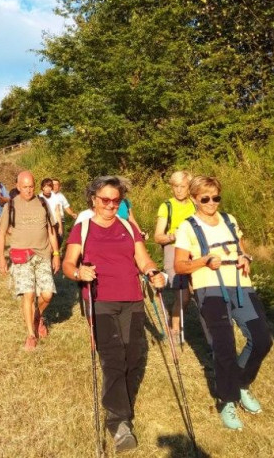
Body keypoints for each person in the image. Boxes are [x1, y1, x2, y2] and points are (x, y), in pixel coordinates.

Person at [62, 175, 165, 451]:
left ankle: (122, 403)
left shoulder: (128, 228)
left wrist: (154, 272)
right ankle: (118, 422)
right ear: (93, 200)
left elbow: (143, 260)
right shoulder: (82, 229)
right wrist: (77, 272)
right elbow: (68, 263)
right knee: (113, 358)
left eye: (115, 200)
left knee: (133, 356)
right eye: (105, 199)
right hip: (100, 300)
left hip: (132, 299)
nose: (110, 205)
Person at [174, 175, 272, 431]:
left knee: (262, 340)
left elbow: (241, 249)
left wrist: (246, 257)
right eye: (204, 198)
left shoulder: (229, 220)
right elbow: (179, 265)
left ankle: (240, 383)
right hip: (210, 289)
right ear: (194, 199)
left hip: (241, 285)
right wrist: (204, 261)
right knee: (224, 346)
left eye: (215, 197)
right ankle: (227, 400)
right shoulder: (187, 227)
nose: (211, 202)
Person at [0, 171, 60, 351]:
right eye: (24, 187)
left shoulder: (42, 203)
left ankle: (37, 316)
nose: (28, 190)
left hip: (43, 254)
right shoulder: (10, 206)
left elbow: (51, 231)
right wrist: (2, 257)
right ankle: (31, 334)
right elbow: (1, 232)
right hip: (21, 256)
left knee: (47, 294)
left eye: (31, 186)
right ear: (18, 187)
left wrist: (56, 254)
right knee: (29, 294)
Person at [153, 171, 197, 340]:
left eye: (182, 186)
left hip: (194, 251)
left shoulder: (195, 204)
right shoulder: (167, 206)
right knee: (184, 295)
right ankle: (175, 328)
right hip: (173, 250)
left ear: (189, 187)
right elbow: (158, 236)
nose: (178, 190)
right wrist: (173, 236)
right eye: (175, 186)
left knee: (199, 292)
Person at [39, 178, 64, 246]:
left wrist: (60, 226)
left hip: (55, 223)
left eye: (49, 186)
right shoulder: (39, 198)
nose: (47, 188)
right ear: (42, 188)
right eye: (45, 186)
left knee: (59, 241)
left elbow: (57, 211)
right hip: (45, 224)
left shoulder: (55, 197)